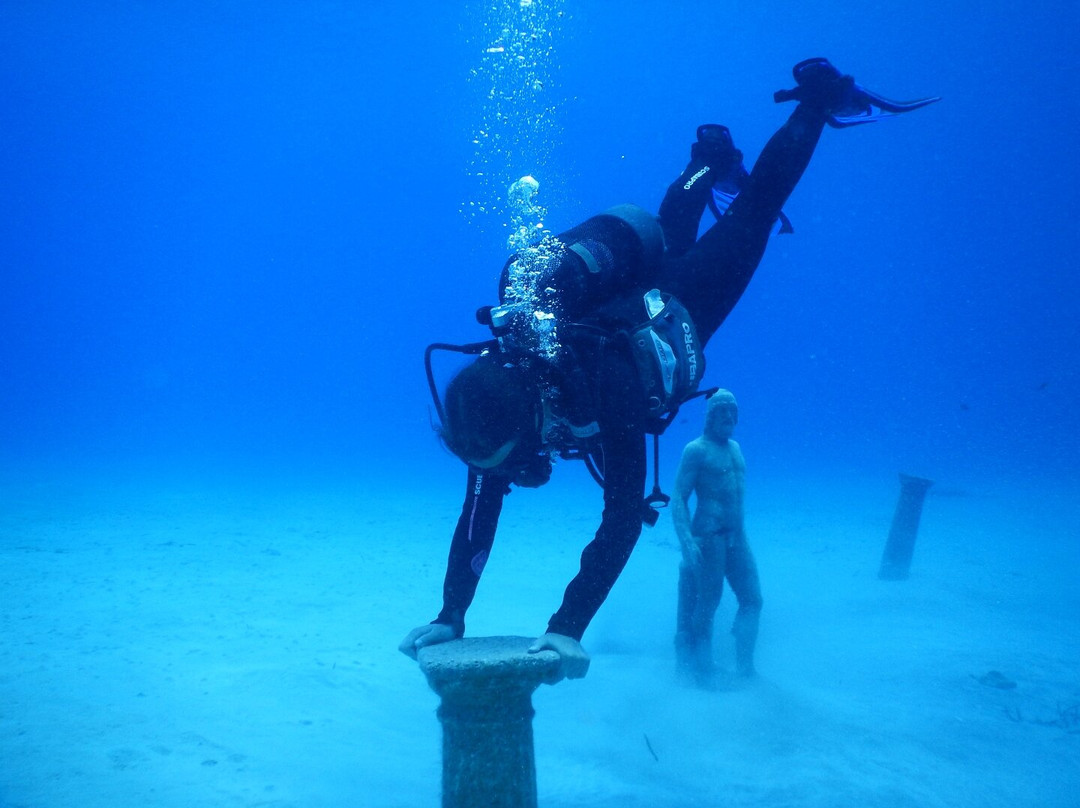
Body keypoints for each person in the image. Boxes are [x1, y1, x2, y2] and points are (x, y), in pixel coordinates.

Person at [399, 59, 938, 683]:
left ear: (537, 414)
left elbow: (623, 512)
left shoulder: (604, 383)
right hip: (629, 298)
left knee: (753, 214)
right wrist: (451, 613)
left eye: (515, 464)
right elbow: (476, 514)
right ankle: (706, 158)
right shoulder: (494, 411)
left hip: (680, 312)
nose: (515, 478)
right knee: (674, 231)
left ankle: (815, 103)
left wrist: (565, 626)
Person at [671, 389, 759, 686]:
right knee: (708, 602)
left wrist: (741, 536)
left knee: (753, 599)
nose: (729, 417)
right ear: (710, 416)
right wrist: (686, 539)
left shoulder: (736, 448)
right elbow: (679, 497)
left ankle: (746, 668)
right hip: (708, 537)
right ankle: (702, 667)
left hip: (737, 537)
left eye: (733, 412)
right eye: (722, 411)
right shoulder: (696, 450)